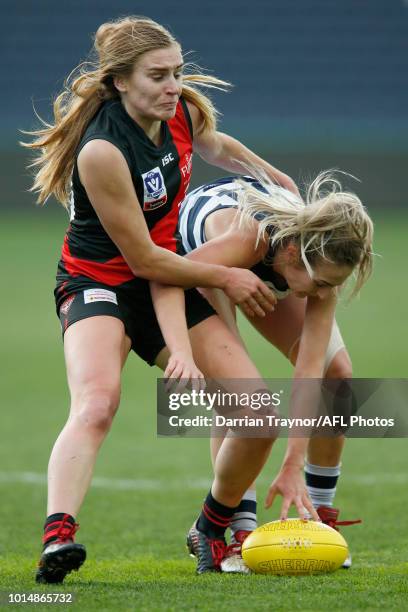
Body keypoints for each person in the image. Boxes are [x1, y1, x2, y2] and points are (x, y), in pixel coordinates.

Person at [22, 15, 307, 583]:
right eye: (158, 75)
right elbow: (143, 262)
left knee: (257, 415)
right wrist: (228, 278)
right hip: (100, 282)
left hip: (168, 277)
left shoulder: (180, 111)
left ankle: (211, 525)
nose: (173, 85)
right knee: (98, 402)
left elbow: (217, 144)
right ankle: (59, 537)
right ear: (121, 81)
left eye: (177, 72)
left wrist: (276, 180)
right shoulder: (101, 150)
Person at [150, 171, 373, 573]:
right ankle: (238, 532)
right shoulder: (248, 238)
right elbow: (166, 273)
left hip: (261, 262)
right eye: (321, 283)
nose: (323, 295)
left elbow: (310, 371)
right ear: (293, 254)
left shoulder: (321, 261)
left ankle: (317, 518)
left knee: (337, 374)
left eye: (332, 286)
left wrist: (292, 464)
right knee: (241, 398)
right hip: (200, 260)